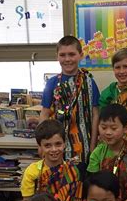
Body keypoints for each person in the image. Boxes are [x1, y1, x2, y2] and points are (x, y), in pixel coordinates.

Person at [39, 35, 100, 164]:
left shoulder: (89, 83)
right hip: (55, 146)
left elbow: (95, 116)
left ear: (81, 55)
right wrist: (40, 144)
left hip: (84, 145)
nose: (67, 59)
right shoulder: (51, 83)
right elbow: (44, 114)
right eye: (63, 55)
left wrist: (93, 145)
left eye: (72, 54)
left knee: (80, 181)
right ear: (57, 56)